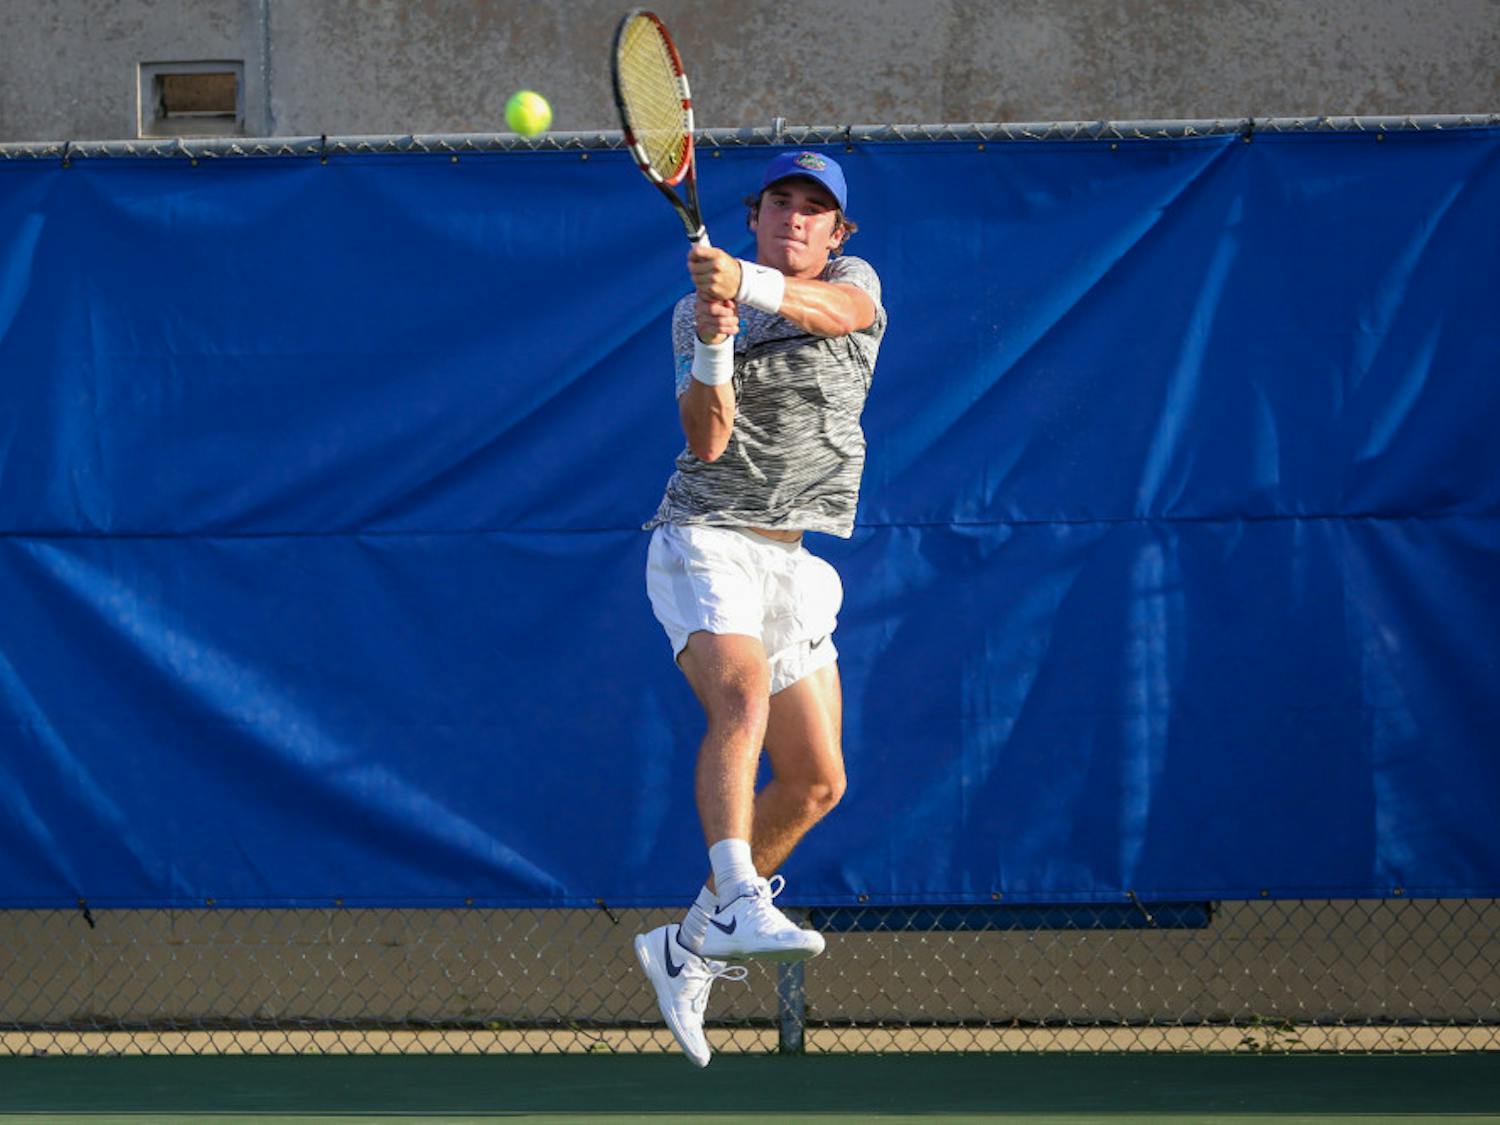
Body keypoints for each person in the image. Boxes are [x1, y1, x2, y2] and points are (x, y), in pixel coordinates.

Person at [632, 150, 887, 1067]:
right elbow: (706, 440)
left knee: (819, 779)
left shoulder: (854, 282)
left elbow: (836, 312)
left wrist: (746, 281)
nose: (797, 215)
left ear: (837, 233)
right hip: (705, 535)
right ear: (756, 211)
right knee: (739, 697)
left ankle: (689, 942)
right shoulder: (694, 311)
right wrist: (711, 336)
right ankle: (739, 890)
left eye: (816, 209)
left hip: (795, 557)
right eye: (782, 199)